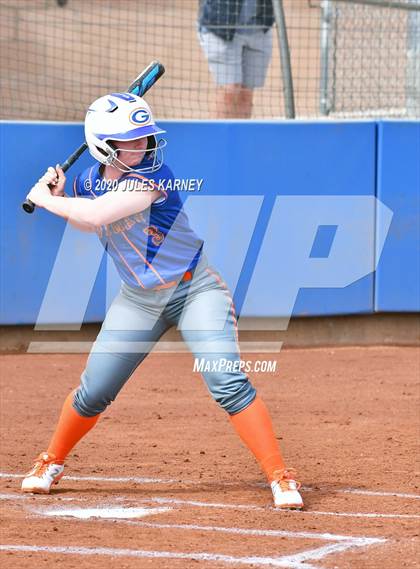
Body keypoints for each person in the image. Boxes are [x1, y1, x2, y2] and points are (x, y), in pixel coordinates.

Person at [22, 92, 303, 509]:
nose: (142, 147)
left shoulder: (154, 177)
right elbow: (91, 222)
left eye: (144, 139)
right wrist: (64, 193)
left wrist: (47, 200)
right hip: (137, 301)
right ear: (102, 145)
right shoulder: (87, 182)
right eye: (129, 141)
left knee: (227, 382)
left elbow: (97, 215)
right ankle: (51, 461)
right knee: (94, 390)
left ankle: (281, 476)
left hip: (195, 290)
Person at [198, 0, 274, 118]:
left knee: (246, 95)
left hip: (259, 28)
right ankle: (215, 136)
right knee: (229, 92)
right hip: (222, 28)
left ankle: (240, 136)